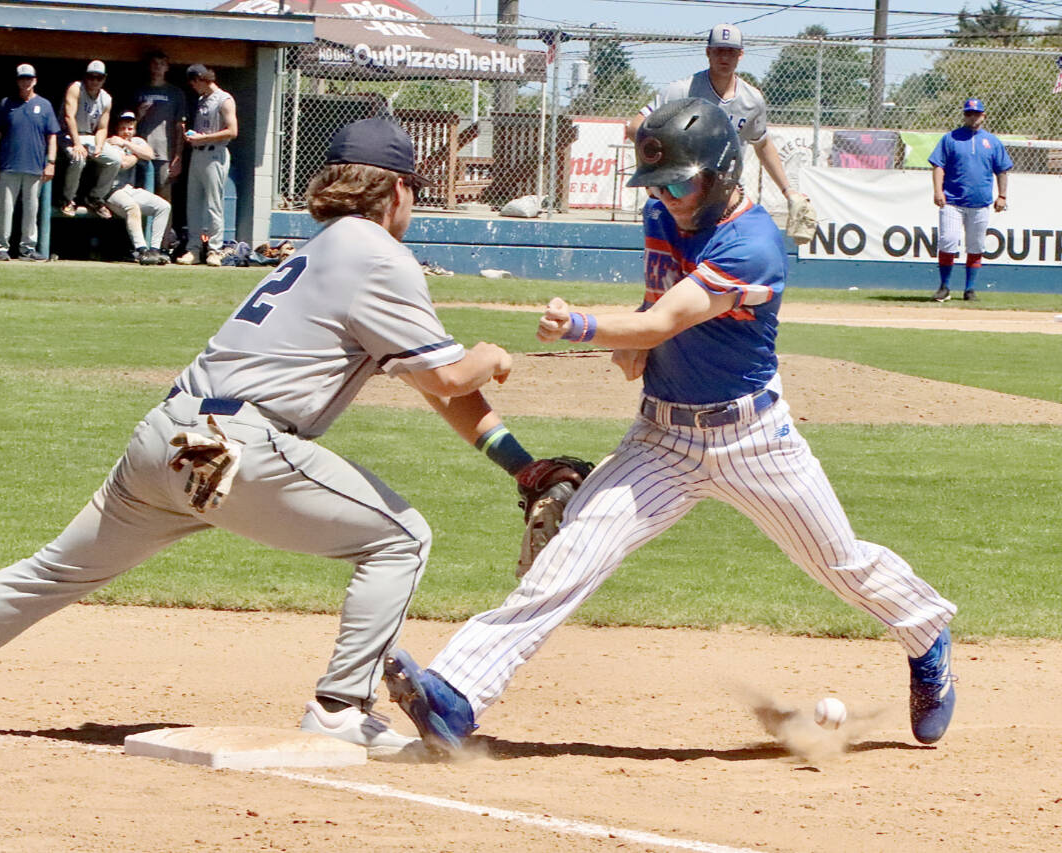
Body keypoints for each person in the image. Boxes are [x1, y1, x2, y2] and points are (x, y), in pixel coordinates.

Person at [0, 118, 550, 759]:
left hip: (168, 438)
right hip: (234, 446)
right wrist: (491, 354)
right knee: (401, 537)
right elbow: (452, 378)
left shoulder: (322, 248)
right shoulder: (377, 254)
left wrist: (519, 464)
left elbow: (434, 386)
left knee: (50, 572)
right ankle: (340, 707)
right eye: (414, 190)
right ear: (394, 189)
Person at [384, 99, 959, 757]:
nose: (672, 198)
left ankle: (925, 630)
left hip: (752, 439)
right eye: (659, 185)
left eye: (683, 182)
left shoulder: (754, 243)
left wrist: (586, 327)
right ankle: (456, 694)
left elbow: (667, 320)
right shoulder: (663, 216)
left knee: (836, 562)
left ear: (721, 171)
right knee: (573, 551)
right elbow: (654, 310)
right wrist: (633, 343)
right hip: (663, 439)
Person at [626, 24, 806, 214]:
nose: (725, 58)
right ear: (708, 52)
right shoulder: (682, 91)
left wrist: (788, 191)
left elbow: (762, 144)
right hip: (682, 192)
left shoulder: (752, 99)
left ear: (741, 55)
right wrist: (668, 159)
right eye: (719, 51)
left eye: (731, 52)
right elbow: (635, 128)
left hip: (726, 195)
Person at [927, 98, 1012, 303]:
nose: (972, 117)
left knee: (976, 245)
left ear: (983, 116)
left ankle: (970, 289)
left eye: (976, 113)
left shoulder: (991, 141)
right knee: (948, 240)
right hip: (953, 201)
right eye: (968, 113)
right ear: (964, 115)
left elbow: (1002, 169)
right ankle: (944, 286)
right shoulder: (951, 138)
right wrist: (938, 191)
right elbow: (938, 165)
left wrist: (1002, 195)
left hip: (980, 202)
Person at [0, 63, 60, 261]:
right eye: (22, 78)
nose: (25, 82)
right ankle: (1, 248)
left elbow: (52, 136)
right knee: (5, 209)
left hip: (35, 167)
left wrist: (51, 162)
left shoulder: (44, 105)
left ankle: (27, 248)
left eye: (29, 78)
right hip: (9, 165)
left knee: (31, 210)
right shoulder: (6, 103)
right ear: (17, 81)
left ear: (35, 81)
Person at [176, 65, 236, 266]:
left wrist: (205, 138)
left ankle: (215, 250)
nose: (193, 87)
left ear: (200, 79)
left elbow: (232, 131)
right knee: (193, 204)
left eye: (193, 83)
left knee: (213, 205)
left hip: (215, 154)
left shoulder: (224, 99)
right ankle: (193, 249)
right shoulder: (202, 99)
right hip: (197, 154)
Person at [103, 111, 171, 265]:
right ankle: (141, 250)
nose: (127, 132)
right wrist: (135, 155)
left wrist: (127, 145)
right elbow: (123, 164)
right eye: (123, 128)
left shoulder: (136, 141)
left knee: (163, 206)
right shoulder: (110, 142)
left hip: (129, 189)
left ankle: (154, 250)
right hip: (110, 191)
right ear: (117, 129)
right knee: (132, 207)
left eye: (130, 128)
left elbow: (149, 154)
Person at [58, 60, 121, 218]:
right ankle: (67, 199)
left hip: (89, 136)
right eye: (91, 77)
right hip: (68, 133)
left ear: (104, 79)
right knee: (78, 157)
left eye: (98, 78)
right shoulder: (76, 88)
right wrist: (77, 144)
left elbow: (102, 128)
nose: (94, 81)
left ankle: (95, 197)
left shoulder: (106, 98)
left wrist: (99, 146)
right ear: (86, 77)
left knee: (115, 159)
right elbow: (69, 117)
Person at [135, 49, 186, 205]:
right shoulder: (139, 91)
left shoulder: (176, 93)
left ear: (167, 68)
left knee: (163, 199)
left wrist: (178, 156)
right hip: (139, 151)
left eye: (162, 64)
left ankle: (164, 230)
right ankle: (142, 230)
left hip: (164, 154)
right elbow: (127, 123)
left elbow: (180, 127)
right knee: (139, 196)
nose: (158, 67)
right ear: (149, 66)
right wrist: (139, 114)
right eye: (155, 64)